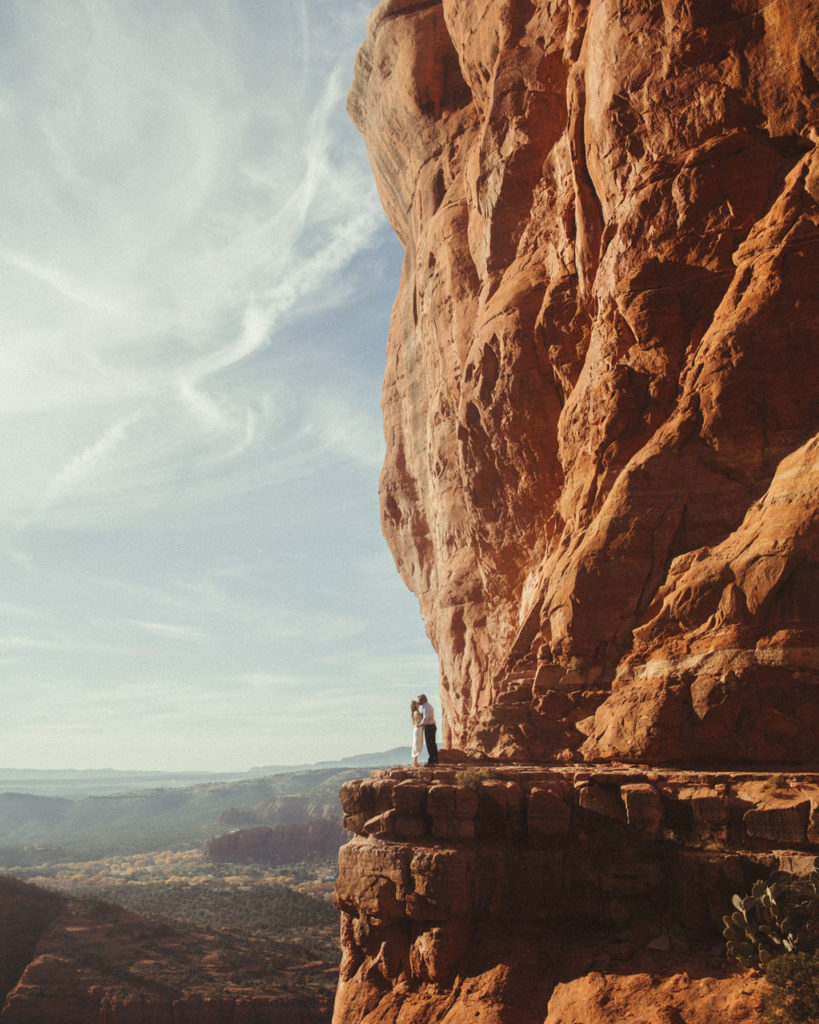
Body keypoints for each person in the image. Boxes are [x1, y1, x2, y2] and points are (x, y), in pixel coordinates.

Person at [417, 694, 438, 765]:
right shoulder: (428, 706)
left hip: (429, 727)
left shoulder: (426, 707)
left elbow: (426, 719)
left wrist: (420, 724)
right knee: (432, 743)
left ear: (423, 700)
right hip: (432, 726)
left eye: (419, 700)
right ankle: (435, 759)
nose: (418, 702)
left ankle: (431, 760)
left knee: (429, 743)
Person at [410, 700, 424, 768]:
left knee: (417, 745)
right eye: (417, 703)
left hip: (419, 730)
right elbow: (418, 723)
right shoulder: (416, 712)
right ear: (415, 705)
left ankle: (415, 763)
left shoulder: (416, 712)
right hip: (418, 730)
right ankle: (415, 763)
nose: (418, 703)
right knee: (416, 745)